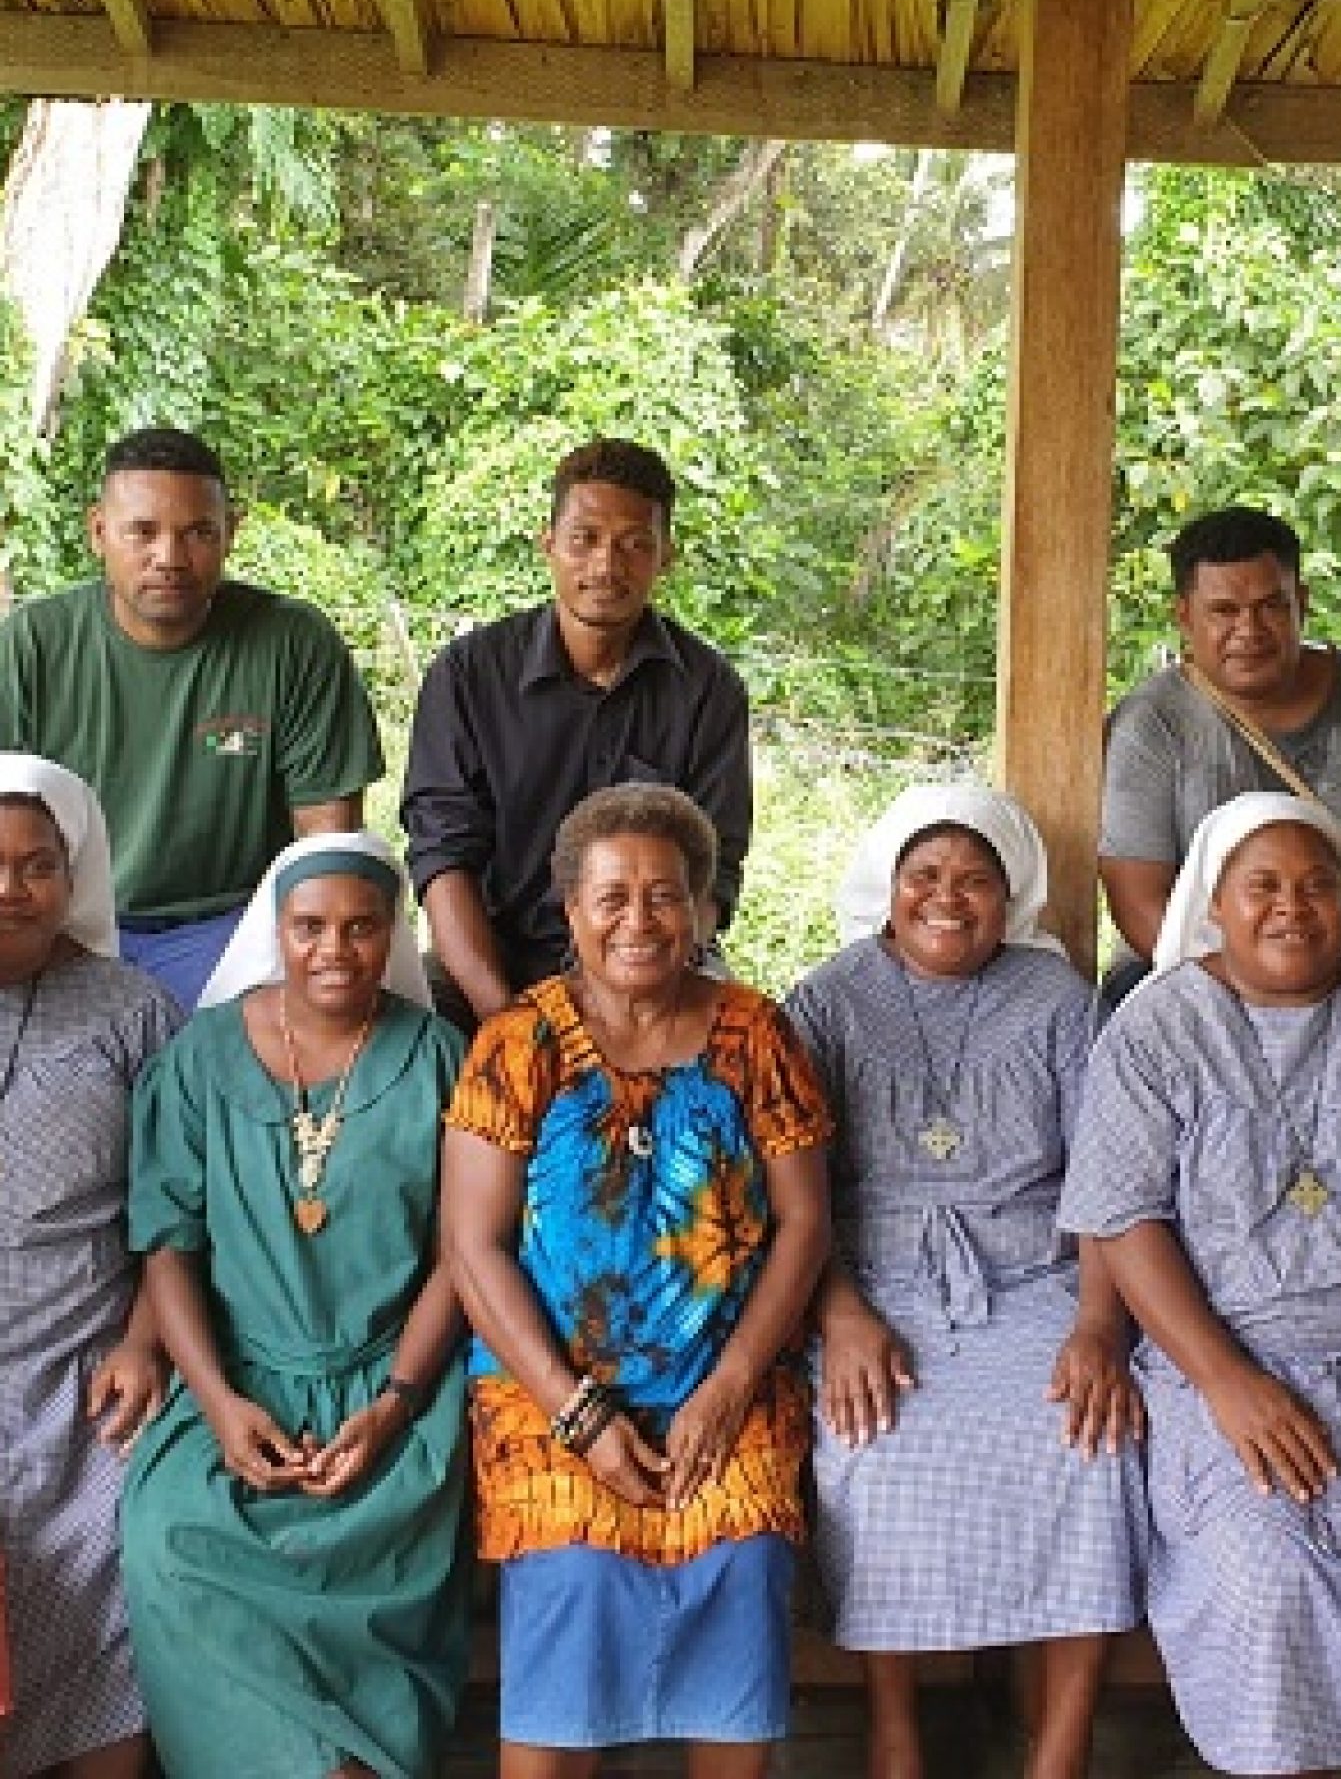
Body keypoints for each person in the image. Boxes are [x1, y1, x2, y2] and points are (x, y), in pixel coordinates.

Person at [1061, 792, 1341, 1778]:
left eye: (1318, 884)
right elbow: (1126, 1221)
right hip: (1216, 1361)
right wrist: (1227, 1382)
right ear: (1213, 904)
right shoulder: (1154, 1029)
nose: (1292, 906)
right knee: (1266, 1581)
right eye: (1261, 885)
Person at [439, 784, 832, 1777]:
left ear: (702, 907)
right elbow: (471, 1245)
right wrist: (577, 1412)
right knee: (570, 1571)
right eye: (611, 896)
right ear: (568, 908)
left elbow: (804, 1220)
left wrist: (731, 1384)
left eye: (665, 894)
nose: (639, 920)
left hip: (726, 1390)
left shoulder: (755, 1034)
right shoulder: (516, 1043)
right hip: (549, 1401)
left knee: (741, 1560)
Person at [785, 785, 1147, 1779]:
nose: (949, 898)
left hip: (1034, 1278)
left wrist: (1096, 1323)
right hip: (873, 1280)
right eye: (925, 875)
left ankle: (1059, 1746)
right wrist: (842, 1310)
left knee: (1090, 1441)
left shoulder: (1056, 997)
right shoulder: (825, 998)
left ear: (1010, 891)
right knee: (873, 1449)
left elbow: (1107, 1179)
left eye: (975, 878)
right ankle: (893, 1728)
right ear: (888, 885)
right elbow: (790, 1193)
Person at [120, 833, 471, 1779]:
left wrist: (395, 1403)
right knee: (171, 1542)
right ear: (277, 931)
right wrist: (222, 1404)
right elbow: (168, 1242)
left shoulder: (439, 1057)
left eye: (362, 928)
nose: (335, 949)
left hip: (396, 1399)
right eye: (309, 926)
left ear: (390, 931)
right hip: (232, 1383)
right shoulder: (201, 1058)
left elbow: (461, 1258)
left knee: (383, 1576)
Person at [0, 428, 383, 1011]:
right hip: (65, 922)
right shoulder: (33, 642)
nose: (170, 558)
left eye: (198, 532)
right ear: (99, 532)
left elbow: (325, 841)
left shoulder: (292, 643)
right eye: (143, 532)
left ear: (232, 531)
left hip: (229, 928)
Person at [402, 438, 752, 1030]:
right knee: (403, 1036)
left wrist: (633, 1000)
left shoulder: (707, 690)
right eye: (585, 539)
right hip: (494, 960)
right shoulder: (468, 676)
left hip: (650, 957)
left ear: (665, 556)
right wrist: (507, 1023)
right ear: (550, 544)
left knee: (734, 1047)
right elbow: (443, 861)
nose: (606, 566)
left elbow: (710, 874)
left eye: (634, 545)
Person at [1098, 505, 1341, 1013]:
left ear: (1301, 603)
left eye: (1271, 606)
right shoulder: (1149, 725)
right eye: (1224, 611)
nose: (1249, 630)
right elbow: (1138, 900)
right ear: (1184, 616)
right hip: (1197, 977)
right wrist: (1275, 992)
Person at [0, 755, 180, 1779]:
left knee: (105, 1607)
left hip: (84, 1381)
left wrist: (146, 1336)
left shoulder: (131, 1010)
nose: (11, 887)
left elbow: (177, 1209)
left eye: (39, 865)